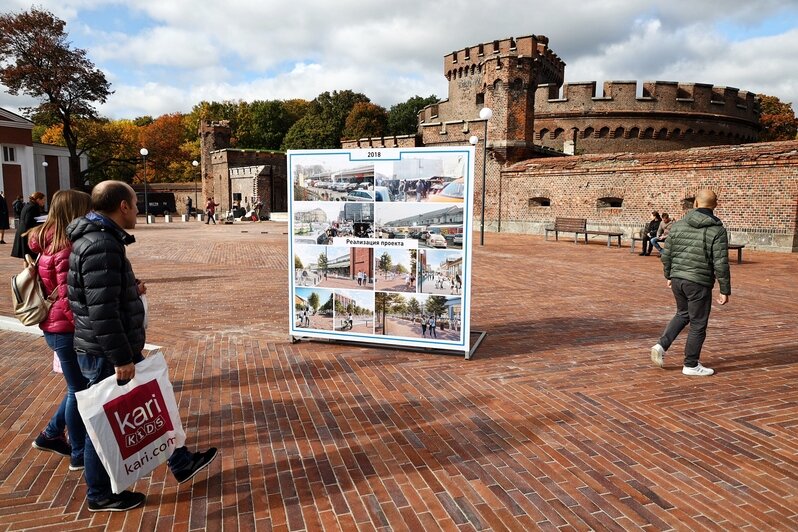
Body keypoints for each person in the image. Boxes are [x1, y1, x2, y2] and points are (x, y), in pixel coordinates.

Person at [67, 181, 217, 511]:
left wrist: (129, 288)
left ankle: (181, 463)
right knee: (105, 422)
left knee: (151, 403)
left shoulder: (101, 241)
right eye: (135, 204)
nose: (137, 210)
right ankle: (99, 495)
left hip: (112, 344)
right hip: (108, 350)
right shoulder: (101, 245)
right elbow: (101, 309)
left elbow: (102, 295)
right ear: (122, 206)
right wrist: (121, 357)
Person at [28, 190, 92, 471]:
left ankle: (51, 434)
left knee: (76, 388)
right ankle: (77, 451)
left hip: (55, 326)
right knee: (79, 391)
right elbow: (68, 297)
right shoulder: (66, 246)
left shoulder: (47, 240)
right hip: (65, 327)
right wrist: (87, 328)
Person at [650, 190, 731, 377]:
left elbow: (666, 254)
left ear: (695, 203)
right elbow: (720, 262)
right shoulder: (717, 229)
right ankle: (691, 364)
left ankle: (661, 346)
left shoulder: (678, 226)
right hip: (698, 281)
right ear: (715, 205)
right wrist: (724, 289)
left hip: (678, 278)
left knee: (682, 313)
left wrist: (669, 276)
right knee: (698, 323)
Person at [11, 191, 46, 258]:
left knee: (26, 257)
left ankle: (26, 268)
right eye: (43, 200)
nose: (44, 202)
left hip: (22, 231)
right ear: (38, 200)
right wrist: (42, 222)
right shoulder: (33, 207)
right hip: (26, 233)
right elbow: (29, 221)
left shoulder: (28, 205)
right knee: (30, 257)